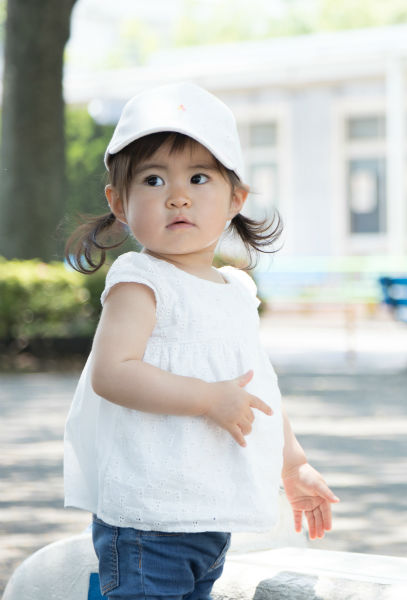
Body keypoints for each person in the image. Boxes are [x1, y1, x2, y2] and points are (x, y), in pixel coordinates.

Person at [63, 82, 338, 600]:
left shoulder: (235, 289)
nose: (178, 195)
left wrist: (293, 464)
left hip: (208, 516)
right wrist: (207, 398)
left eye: (198, 177)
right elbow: (112, 372)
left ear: (235, 198)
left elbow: (259, 387)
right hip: (148, 521)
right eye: (152, 179)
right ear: (118, 202)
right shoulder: (139, 281)